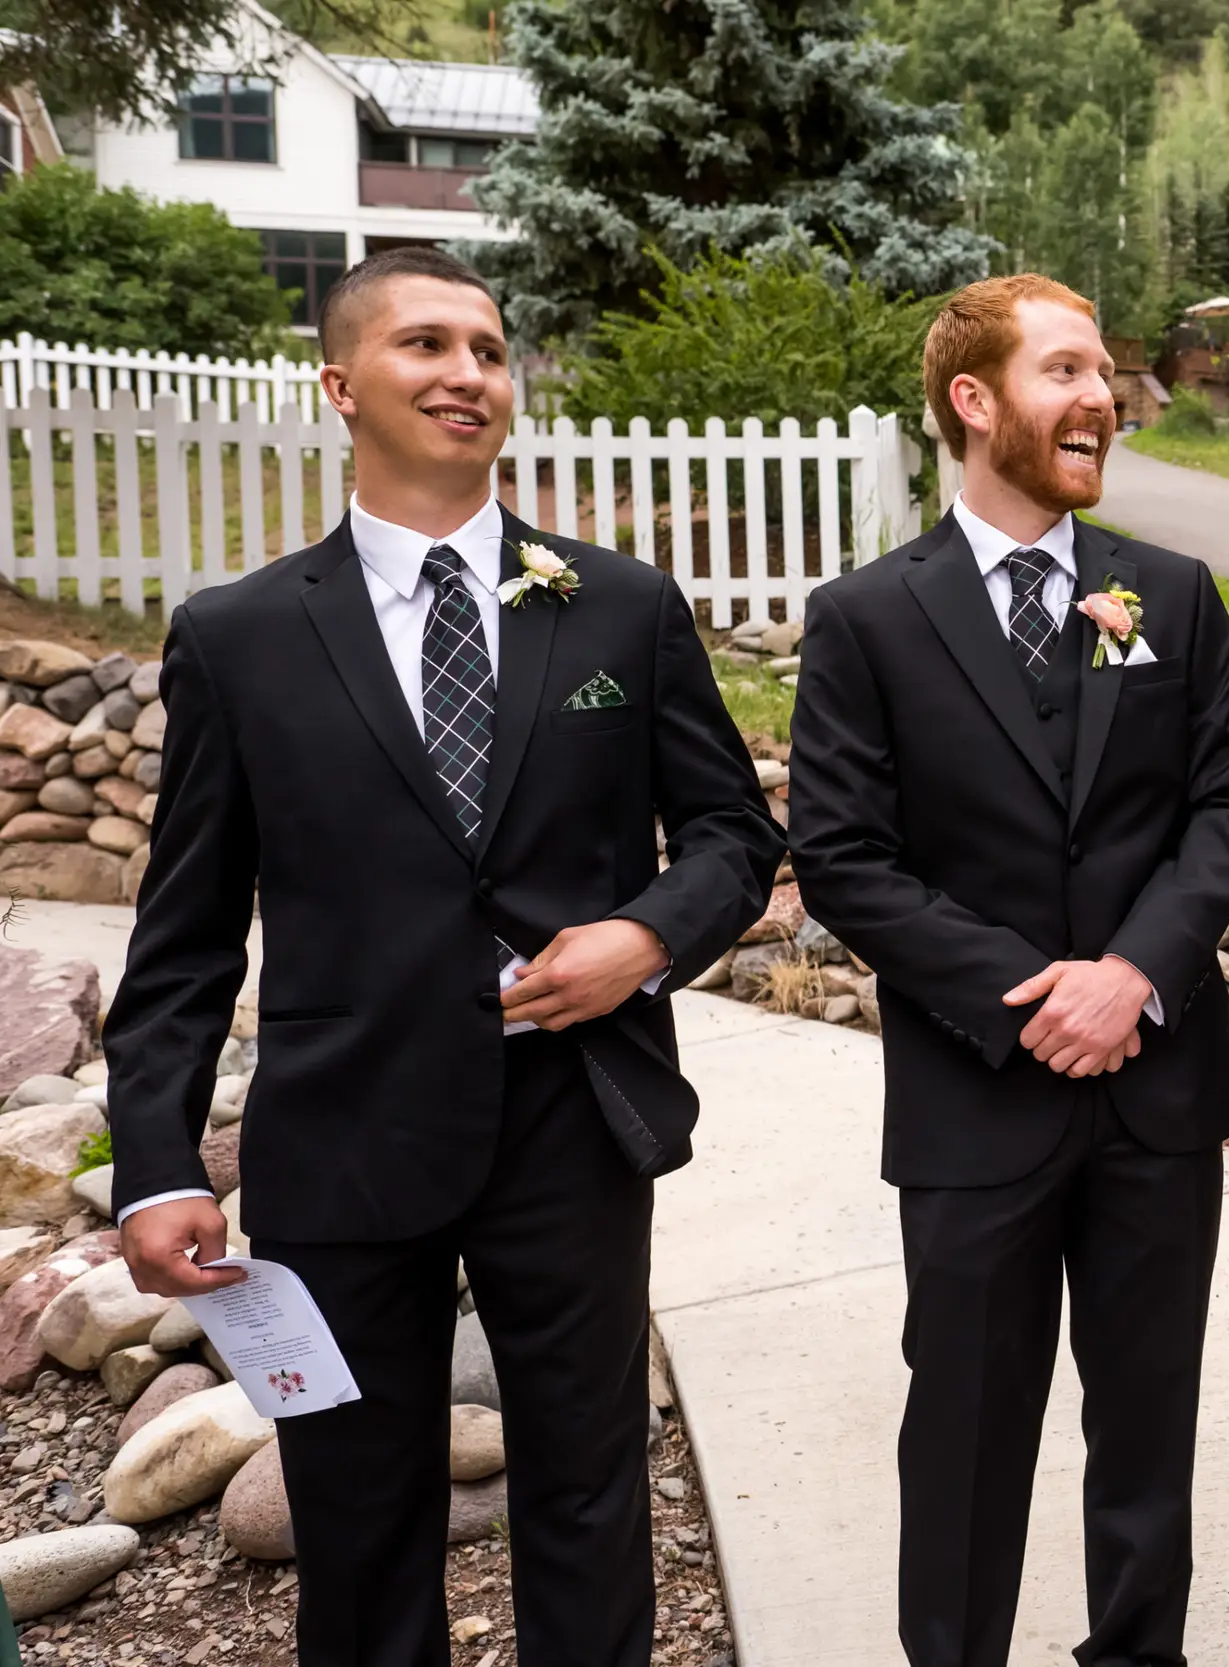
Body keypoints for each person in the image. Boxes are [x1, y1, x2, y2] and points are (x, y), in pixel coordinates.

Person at [103, 246, 784, 1667]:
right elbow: (183, 931)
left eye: (487, 346)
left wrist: (644, 936)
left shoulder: (618, 606)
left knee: (590, 1488)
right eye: (426, 344)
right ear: (343, 384)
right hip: (344, 1132)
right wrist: (160, 1158)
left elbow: (734, 833)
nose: (467, 372)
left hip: (571, 1120)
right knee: (355, 1508)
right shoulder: (238, 638)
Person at [787, 273, 1229, 1667]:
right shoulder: (869, 617)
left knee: (1148, 1427)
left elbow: (1226, 806)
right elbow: (846, 854)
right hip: (973, 1096)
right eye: (1067, 370)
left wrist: (1132, 973)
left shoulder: (1165, 590)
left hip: (1155, 1091)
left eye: (1106, 371)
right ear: (974, 399)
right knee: (965, 1429)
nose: (1102, 396)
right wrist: (1036, 995)